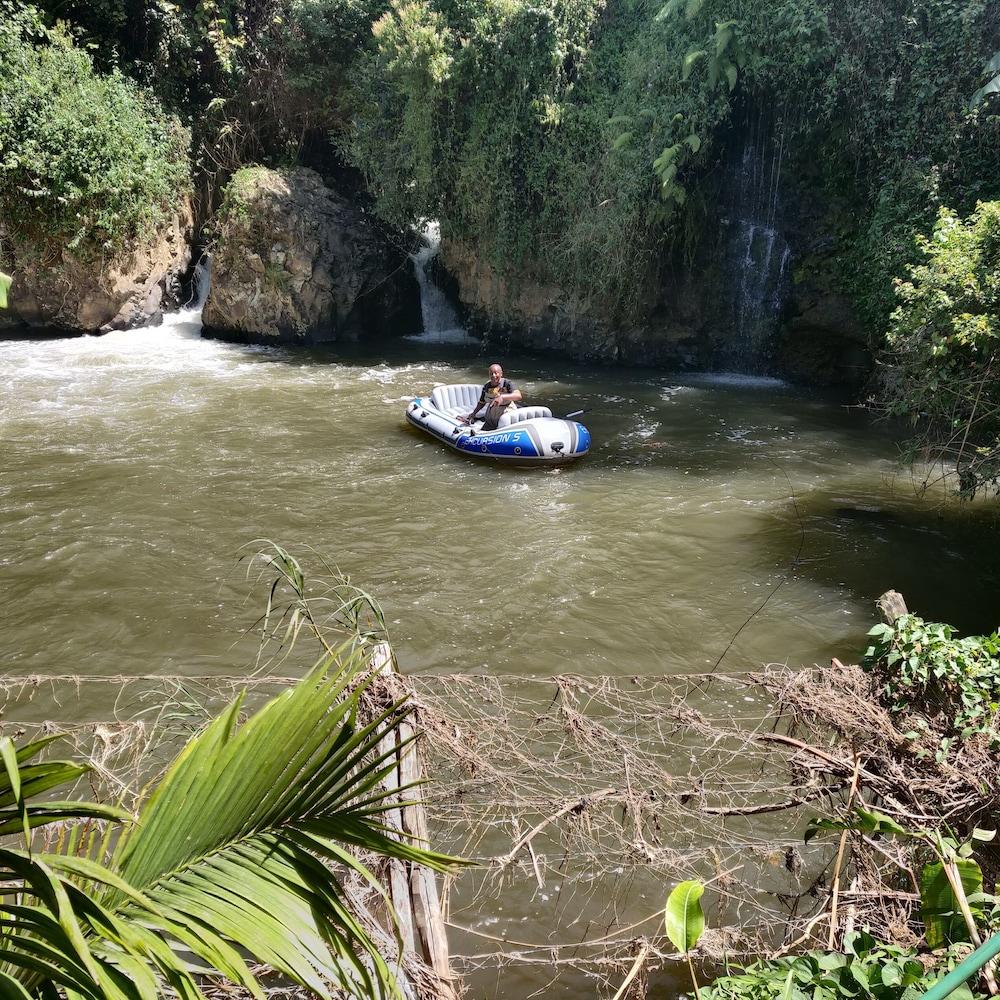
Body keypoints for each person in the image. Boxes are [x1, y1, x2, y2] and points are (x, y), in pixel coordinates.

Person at [463, 363, 523, 430]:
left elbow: (518, 396)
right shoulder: (486, 387)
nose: (494, 376)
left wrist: (502, 397)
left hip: (506, 416)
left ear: (501, 374)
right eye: (491, 374)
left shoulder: (507, 383)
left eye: (496, 373)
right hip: (491, 418)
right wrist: (473, 414)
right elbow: (481, 403)